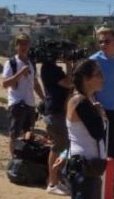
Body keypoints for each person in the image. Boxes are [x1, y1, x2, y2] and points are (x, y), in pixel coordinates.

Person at [89, 27, 114, 194]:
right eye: (101, 41)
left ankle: (112, 181)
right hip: (101, 113)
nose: (103, 44)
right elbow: (86, 86)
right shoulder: (94, 61)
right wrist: (95, 104)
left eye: (107, 41)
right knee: (108, 148)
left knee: (113, 145)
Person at [66, 59, 106, 199]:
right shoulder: (81, 102)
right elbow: (98, 133)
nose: (102, 77)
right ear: (86, 79)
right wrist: (100, 115)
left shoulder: (83, 100)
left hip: (86, 168)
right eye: (98, 74)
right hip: (85, 169)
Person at [1, 33, 45, 155]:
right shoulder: (11, 63)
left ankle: (24, 158)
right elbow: (5, 84)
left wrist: (43, 98)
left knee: (28, 133)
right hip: (16, 103)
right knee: (14, 134)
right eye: (21, 44)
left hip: (30, 103)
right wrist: (20, 73)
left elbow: (35, 84)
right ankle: (13, 159)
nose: (23, 47)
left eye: (26, 44)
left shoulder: (32, 63)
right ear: (16, 46)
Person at [40, 57, 73, 195]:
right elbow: (69, 83)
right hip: (55, 113)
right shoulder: (50, 68)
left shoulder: (50, 68)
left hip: (56, 112)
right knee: (59, 146)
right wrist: (69, 65)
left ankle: (54, 180)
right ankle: (53, 183)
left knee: (61, 145)